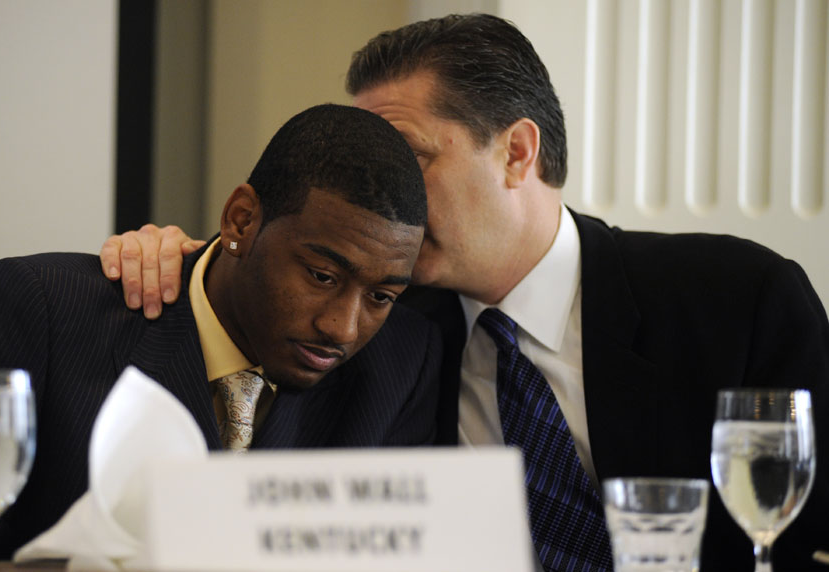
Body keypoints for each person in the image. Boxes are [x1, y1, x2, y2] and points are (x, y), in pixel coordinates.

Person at [100, 14, 829, 572]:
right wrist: (179, 255)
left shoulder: (738, 300)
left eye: (408, 159)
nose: (378, 201)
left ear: (516, 152)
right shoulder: (375, 324)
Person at [0, 104, 443, 560]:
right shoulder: (40, 309)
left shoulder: (401, 363)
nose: (342, 327)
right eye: (321, 276)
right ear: (241, 219)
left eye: (381, 297)